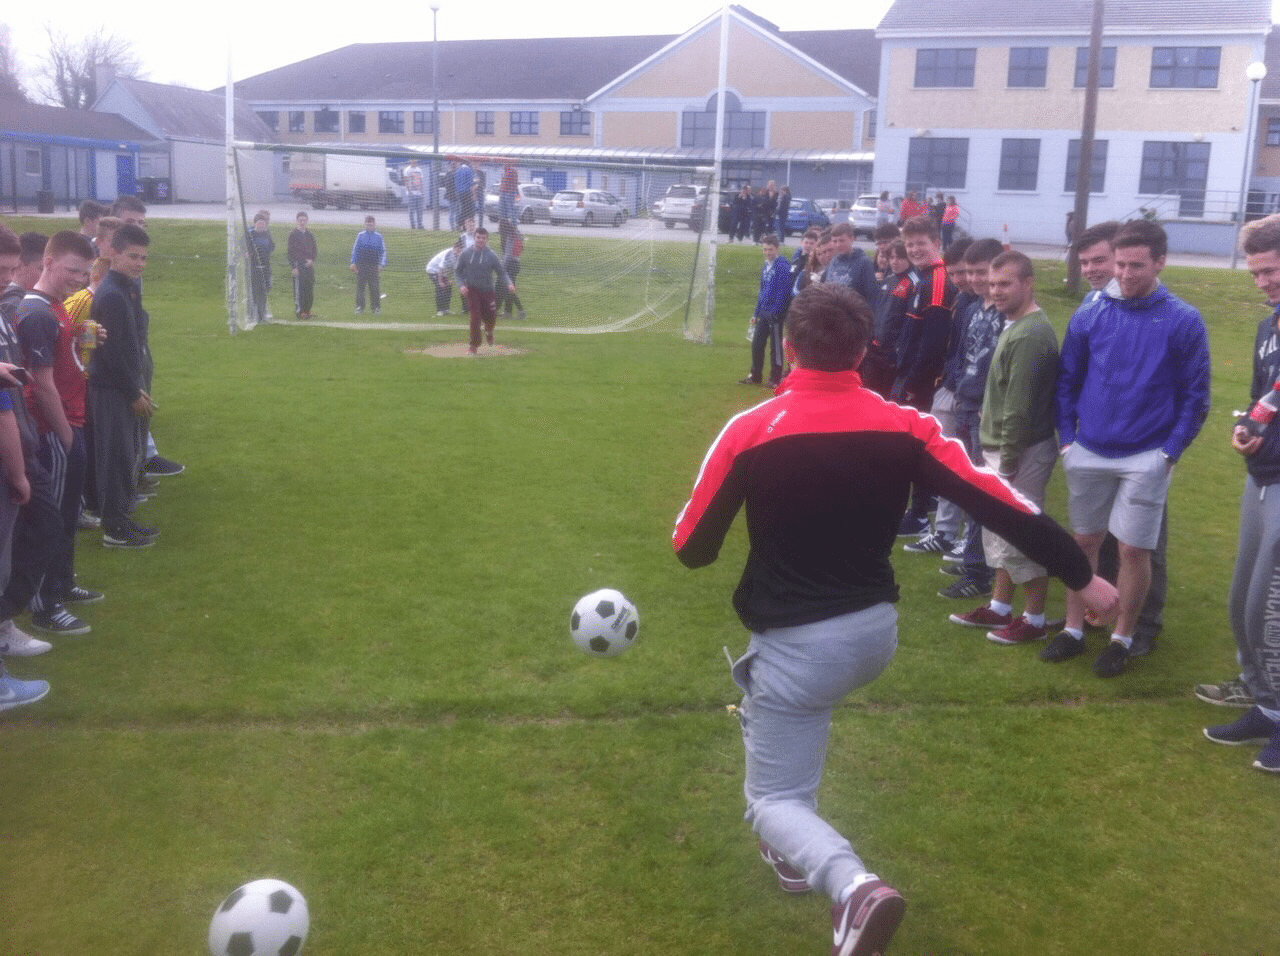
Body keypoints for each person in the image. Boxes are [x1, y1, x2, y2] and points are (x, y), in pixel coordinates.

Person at [673, 281, 1119, 956]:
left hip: (799, 643)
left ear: (789, 348)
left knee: (770, 799)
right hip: (874, 635)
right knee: (797, 721)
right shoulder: (908, 426)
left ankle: (853, 888)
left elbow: (692, 550)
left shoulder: (752, 429)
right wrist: (1084, 576)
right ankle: (795, 854)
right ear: (863, 350)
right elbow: (1002, 503)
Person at [1048, 219, 1211, 677]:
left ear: (1160, 262)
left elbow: (1196, 397)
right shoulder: (1091, 311)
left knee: (1135, 551)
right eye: (1120, 263)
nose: (1125, 273)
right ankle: (1075, 630)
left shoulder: (1183, 318)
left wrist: (1169, 453)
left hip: (1147, 455)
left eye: (1136, 265)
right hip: (1088, 450)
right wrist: (1067, 440)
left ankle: (1122, 637)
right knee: (1083, 543)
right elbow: (1067, 379)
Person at [1197, 213, 1280, 770]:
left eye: (1270, 270)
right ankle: (1266, 706)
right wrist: (1246, 431)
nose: (1262, 282)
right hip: (1262, 479)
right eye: (1255, 273)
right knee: (1240, 607)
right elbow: (1260, 399)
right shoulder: (1269, 326)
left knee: (1269, 612)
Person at [949, 252, 1061, 645]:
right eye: (993, 284)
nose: (995, 291)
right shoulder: (1016, 325)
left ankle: (1035, 619)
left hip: (1021, 452)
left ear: (1028, 283)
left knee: (1024, 537)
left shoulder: (1030, 333)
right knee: (1002, 537)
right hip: (1003, 448)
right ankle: (999, 607)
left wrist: (1008, 464)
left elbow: (1018, 407)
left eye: (1005, 284)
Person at [14, 230, 103, 636]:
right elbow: (41, 382)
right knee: (49, 520)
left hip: (70, 421)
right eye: (72, 270)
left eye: (85, 273)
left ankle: (63, 584)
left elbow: (61, 358)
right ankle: (44, 606)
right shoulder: (37, 312)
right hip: (54, 428)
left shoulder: (57, 307)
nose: (79, 279)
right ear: (47, 262)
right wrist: (66, 435)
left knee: (66, 516)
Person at [936, 238, 1006, 601]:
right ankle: (973, 558)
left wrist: (984, 404)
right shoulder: (973, 306)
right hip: (965, 402)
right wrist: (957, 384)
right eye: (973, 272)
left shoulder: (1006, 314)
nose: (977, 279)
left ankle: (979, 572)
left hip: (985, 413)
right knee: (967, 484)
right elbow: (962, 353)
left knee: (982, 492)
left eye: (984, 272)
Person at [88, 223, 156, 549]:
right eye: (133, 256)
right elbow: (112, 352)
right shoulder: (112, 295)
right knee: (115, 457)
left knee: (125, 453)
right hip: (112, 388)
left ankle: (122, 518)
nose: (140, 263)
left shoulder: (126, 288)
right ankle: (114, 528)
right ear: (113, 253)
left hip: (123, 385)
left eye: (144, 258)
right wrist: (133, 392)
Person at [893, 215, 957, 538]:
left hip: (923, 382)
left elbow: (934, 342)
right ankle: (920, 506)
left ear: (937, 243)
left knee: (920, 444)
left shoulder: (939, 280)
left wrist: (913, 384)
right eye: (910, 244)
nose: (915, 249)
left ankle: (919, 514)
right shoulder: (922, 278)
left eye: (921, 243)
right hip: (909, 375)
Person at [739, 234, 792, 388]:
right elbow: (762, 290)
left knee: (775, 347)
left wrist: (776, 310)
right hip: (763, 311)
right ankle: (755, 375)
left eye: (770, 249)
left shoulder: (782, 266)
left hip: (775, 313)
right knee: (756, 343)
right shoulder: (765, 265)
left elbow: (783, 291)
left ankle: (775, 379)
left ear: (777, 249)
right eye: (765, 249)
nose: (767, 252)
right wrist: (756, 312)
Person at [455, 226, 514, 355]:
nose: (480, 240)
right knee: (475, 318)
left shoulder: (492, 255)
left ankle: (489, 331)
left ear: (487, 239)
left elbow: (501, 272)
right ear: (474, 238)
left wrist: (509, 283)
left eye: (483, 238)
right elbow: (458, 272)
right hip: (472, 290)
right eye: (478, 237)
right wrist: (461, 286)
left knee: (491, 317)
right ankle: (473, 346)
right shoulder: (465, 254)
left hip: (488, 291)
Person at [821, 223, 880, 313]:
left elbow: (872, 296)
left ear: (852, 239)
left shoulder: (864, 262)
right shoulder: (833, 262)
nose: (838, 245)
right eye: (834, 241)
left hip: (853, 315)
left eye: (842, 241)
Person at [350, 216, 386, 316]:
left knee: (374, 288)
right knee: (360, 287)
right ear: (365, 224)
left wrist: (381, 264)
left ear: (374, 225)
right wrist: (353, 262)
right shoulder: (360, 235)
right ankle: (359, 307)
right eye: (368, 224)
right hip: (361, 265)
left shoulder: (379, 236)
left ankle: (376, 308)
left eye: (371, 224)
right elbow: (355, 249)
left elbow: (383, 251)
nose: (369, 225)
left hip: (373, 265)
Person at [288, 211, 317, 319]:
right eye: (300, 220)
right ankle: (300, 312)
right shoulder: (293, 234)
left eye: (304, 220)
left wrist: (312, 260)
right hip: (298, 265)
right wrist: (293, 267)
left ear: (307, 221)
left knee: (309, 289)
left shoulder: (309, 234)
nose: (302, 222)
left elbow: (314, 249)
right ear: (297, 221)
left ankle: (307, 310)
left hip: (308, 266)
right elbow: (290, 252)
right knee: (300, 290)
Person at [246, 214, 275, 325]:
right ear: (255, 224)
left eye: (263, 223)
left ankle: (261, 314)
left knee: (264, 290)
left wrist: (266, 250)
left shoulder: (266, 234)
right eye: (259, 223)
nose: (262, 225)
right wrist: (246, 253)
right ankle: (251, 314)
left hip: (265, 267)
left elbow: (272, 246)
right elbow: (242, 245)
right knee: (254, 292)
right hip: (254, 267)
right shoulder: (250, 234)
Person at [497, 221, 526, 321]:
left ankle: (521, 311)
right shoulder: (517, 235)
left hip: (511, 265)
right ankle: (507, 312)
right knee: (508, 289)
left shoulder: (510, 237)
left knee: (509, 288)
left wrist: (501, 267)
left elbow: (508, 255)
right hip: (516, 264)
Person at [426, 240, 463, 317]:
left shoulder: (458, 256)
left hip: (443, 272)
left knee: (448, 287)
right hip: (433, 270)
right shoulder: (448, 254)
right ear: (455, 248)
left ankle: (446, 309)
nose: (459, 251)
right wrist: (440, 282)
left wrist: (450, 279)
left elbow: (453, 269)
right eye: (458, 249)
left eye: (461, 250)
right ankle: (439, 310)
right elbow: (440, 268)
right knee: (440, 288)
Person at [404, 159, 425, 230]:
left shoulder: (419, 170)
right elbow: (406, 181)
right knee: (411, 210)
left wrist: (422, 191)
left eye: (416, 161)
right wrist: (409, 191)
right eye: (413, 161)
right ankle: (413, 225)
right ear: (411, 162)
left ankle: (420, 225)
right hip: (411, 193)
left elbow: (421, 181)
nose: (414, 163)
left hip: (419, 193)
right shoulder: (407, 170)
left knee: (420, 210)